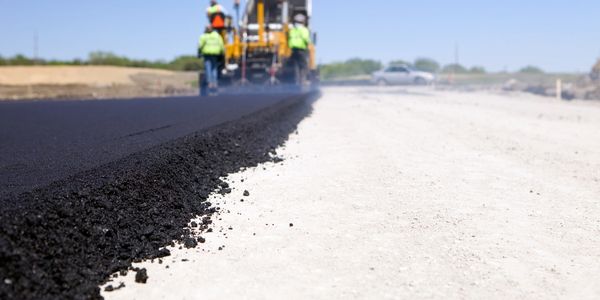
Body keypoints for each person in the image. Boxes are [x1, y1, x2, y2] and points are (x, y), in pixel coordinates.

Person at [198, 25, 225, 93]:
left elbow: (200, 45)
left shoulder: (204, 36)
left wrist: (199, 53)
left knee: (208, 69)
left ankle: (210, 83)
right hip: (215, 54)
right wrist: (222, 53)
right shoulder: (217, 35)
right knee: (214, 68)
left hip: (207, 54)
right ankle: (214, 83)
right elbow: (221, 45)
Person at [288, 14, 311, 85]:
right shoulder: (304, 30)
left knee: (296, 67)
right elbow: (306, 40)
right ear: (303, 22)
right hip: (301, 50)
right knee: (304, 67)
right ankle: (304, 81)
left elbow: (289, 39)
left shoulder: (292, 30)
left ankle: (296, 82)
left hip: (293, 51)